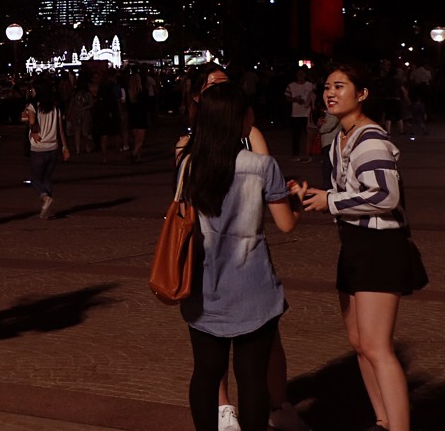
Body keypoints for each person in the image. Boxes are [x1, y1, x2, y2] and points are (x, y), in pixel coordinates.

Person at [296, 63, 428, 431]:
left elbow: (386, 195)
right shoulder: (341, 137)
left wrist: (332, 202)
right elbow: (349, 191)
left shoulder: (369, 137)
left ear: (363, 94)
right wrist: (318, 196)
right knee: (360, 344)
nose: (330, 93)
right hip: (354, 244)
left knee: (377, 347)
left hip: (380, 246)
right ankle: (383, 420)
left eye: (340, 86)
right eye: (327, 87)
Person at [176, 64, 309, 431]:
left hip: (204, 287)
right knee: (251, 378)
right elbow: (285, 224)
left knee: (205, 373)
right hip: (253, 286)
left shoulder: (189, 164)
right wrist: (295, 200)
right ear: (240, 118)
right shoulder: (261, 166)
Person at [22, 74, 69, 219]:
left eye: (33, 89)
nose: (31, 91)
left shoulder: (33, 105)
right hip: (53, 147)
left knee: (36, 178)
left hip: (39, 147)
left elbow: (31, 122)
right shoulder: (55, 107)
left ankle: (45, 198)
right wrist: (65, 147)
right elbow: (60, 128)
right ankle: (47, 210)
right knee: (47, 178)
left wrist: (34, 131)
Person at [284, 68, 316, 161]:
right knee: (296, 135)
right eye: (299, 74)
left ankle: (308, 153)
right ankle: (295, 154)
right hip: (296, 113)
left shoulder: (310, 85)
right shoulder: (291, 86)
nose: (301, 76)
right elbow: (287, 98)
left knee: (309, 135)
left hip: (308, 114)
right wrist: (295, 99)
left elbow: (315, 96)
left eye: (302, 74)